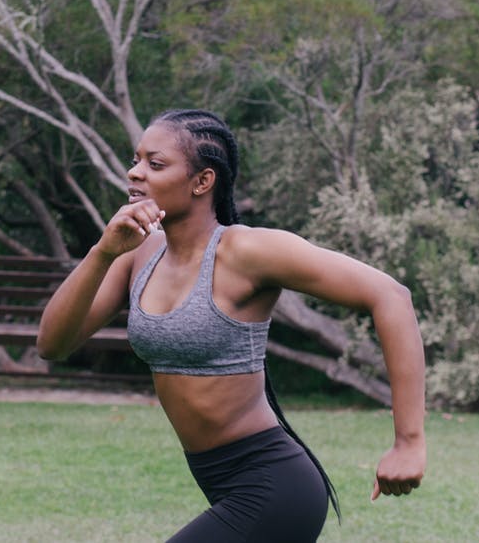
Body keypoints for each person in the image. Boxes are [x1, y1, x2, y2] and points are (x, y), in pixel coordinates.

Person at [38, 109, 426, 542]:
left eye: (155, 164)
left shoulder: (246, 251)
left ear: (202, 182)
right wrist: (102, 253)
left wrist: (408, 441)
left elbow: (391, 296)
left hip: (274, 486)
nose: (135, 173)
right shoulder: (138, 253)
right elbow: (53, 344)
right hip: (222, 484)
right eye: (136, 160)